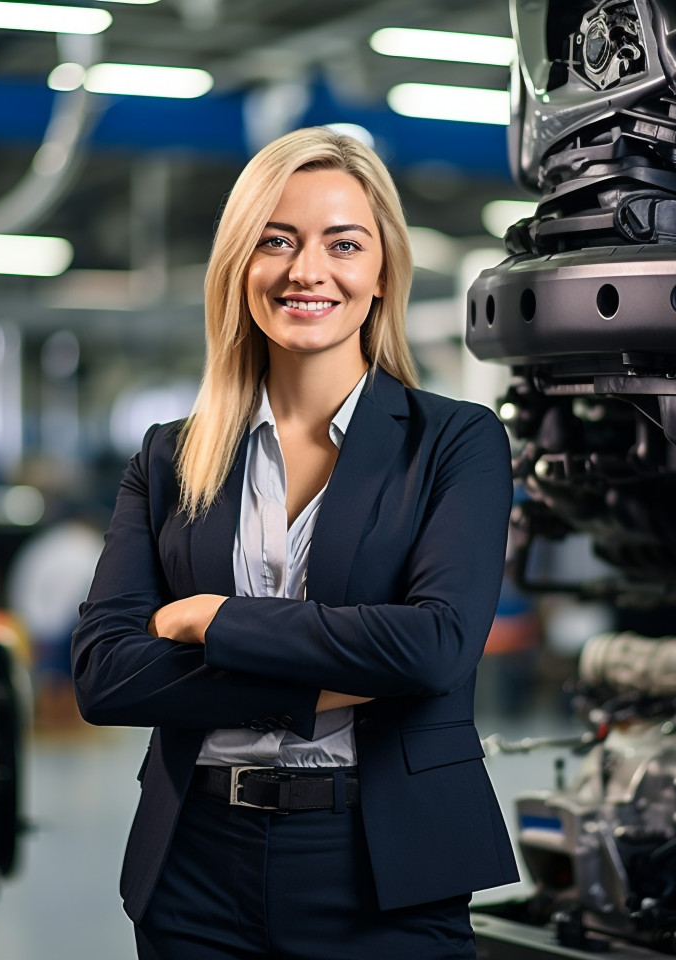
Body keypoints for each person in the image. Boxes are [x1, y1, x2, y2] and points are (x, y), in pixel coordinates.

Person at [72, 127, 518, 960]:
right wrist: (322, 685)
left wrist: (214, 617)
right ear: (240, 266)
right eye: (276, 241)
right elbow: (105, 675)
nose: (306, 270)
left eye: (342, 243)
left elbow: (433, 651)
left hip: (385, 869)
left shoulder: (455, 442)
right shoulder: (171, 456)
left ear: (382, 269)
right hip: (193, 870)